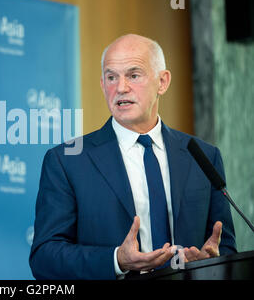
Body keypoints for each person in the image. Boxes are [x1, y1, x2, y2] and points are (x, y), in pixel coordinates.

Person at [29, 34, 237, 279]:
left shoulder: (203, 156)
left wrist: (210, 263)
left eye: (133, 75)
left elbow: (225, 248)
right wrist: (116, 260)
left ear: (163, 82)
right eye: (111, 77)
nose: (121, 87)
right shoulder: (67, 161)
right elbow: (45, 257)